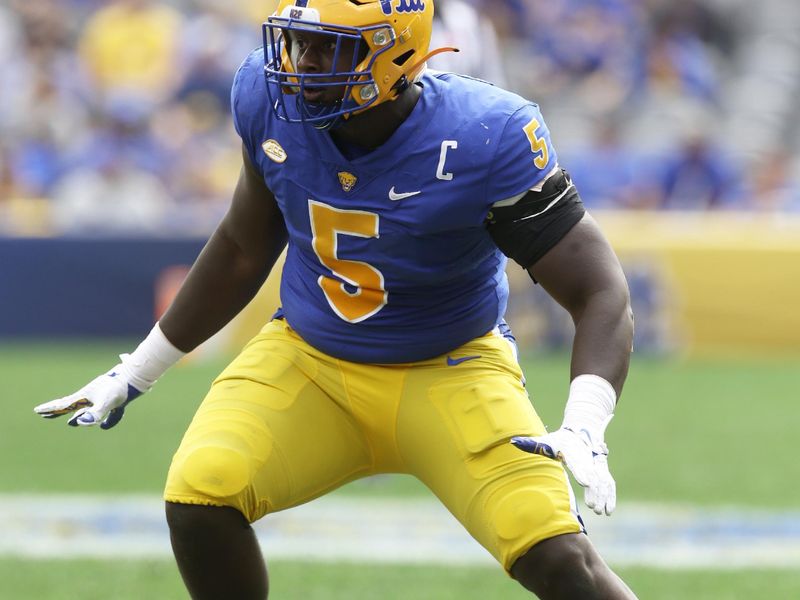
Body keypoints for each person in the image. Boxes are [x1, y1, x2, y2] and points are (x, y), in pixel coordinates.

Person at [35, 1, 637, 598]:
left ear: (395, 50)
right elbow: (244, 246)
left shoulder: (484, 134)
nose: (304, 62)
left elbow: (598, 289)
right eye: (300, 41)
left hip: (451, 368)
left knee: (559, 560)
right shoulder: (269, 100)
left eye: (332, 46)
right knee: (199, 495)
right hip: (310, 359)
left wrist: (586, 423)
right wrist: (137, 371)